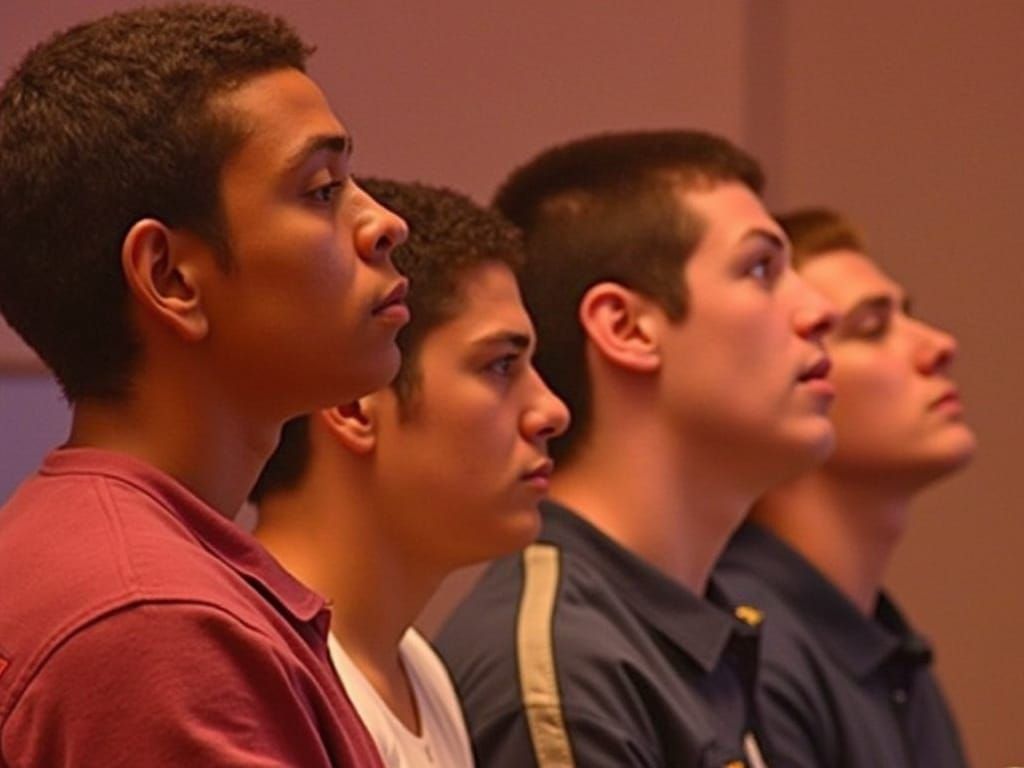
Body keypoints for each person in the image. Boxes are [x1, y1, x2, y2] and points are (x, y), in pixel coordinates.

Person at [0, 5, 409, 764]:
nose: (385, 223)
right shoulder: (151, 624)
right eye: (322, 190)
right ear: (170, 277)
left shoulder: (132, 566)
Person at [436, 130, 838, 767]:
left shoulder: (692, 625)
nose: (819, 310)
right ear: (627, 327)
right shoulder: (569, 668)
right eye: (760, 268)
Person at [250, 178, 569, 767]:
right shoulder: (261, 678)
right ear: (351, 404)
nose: (552, 412)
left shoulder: (420, 671)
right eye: (500, 365)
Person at [716, 207, 976, 767]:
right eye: (871, 328)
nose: (939, 346)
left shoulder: (890, 650)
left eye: (908, 315)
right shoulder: (750, 653)